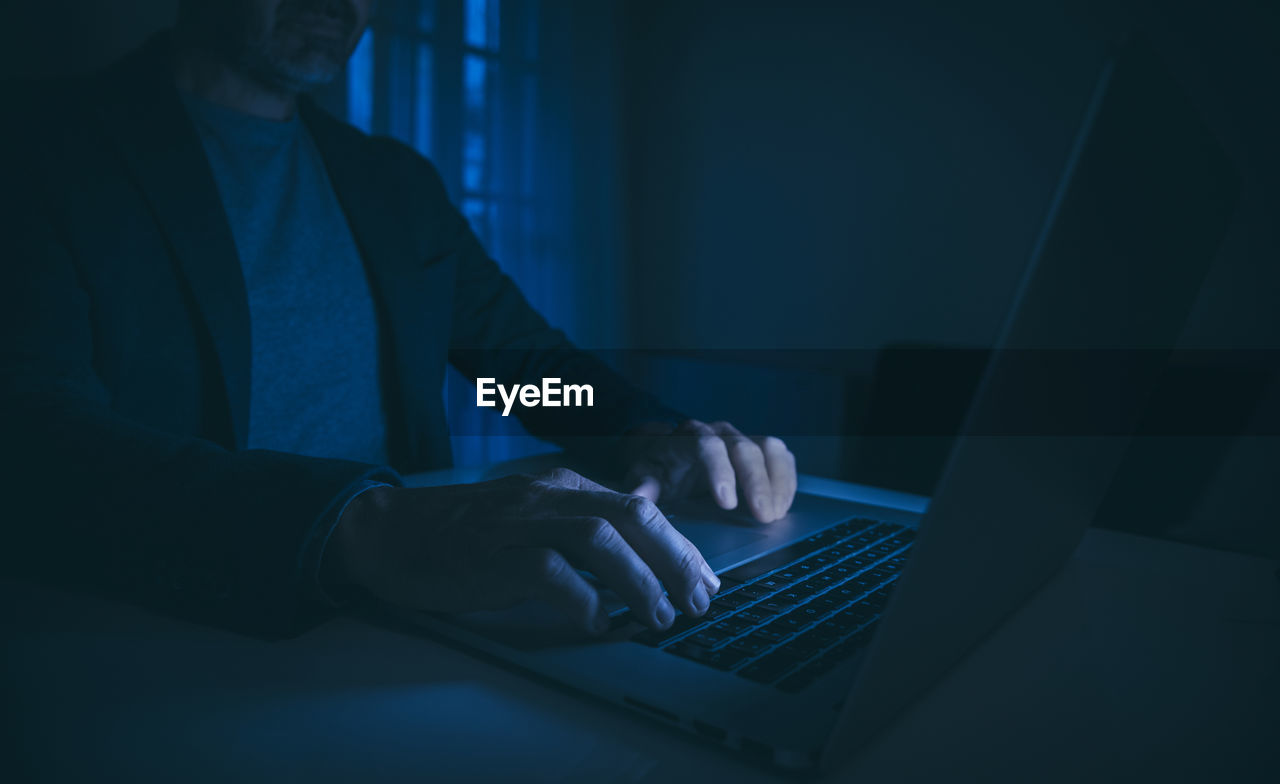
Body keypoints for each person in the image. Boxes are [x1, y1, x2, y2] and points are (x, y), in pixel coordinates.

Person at [0, 0, 796, 639]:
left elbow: (519, 368)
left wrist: (640, 432)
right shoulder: (42, 146)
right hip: (161, 638)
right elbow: (31, 438)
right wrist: (359, 527)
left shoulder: (393, 184)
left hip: (419, 624)